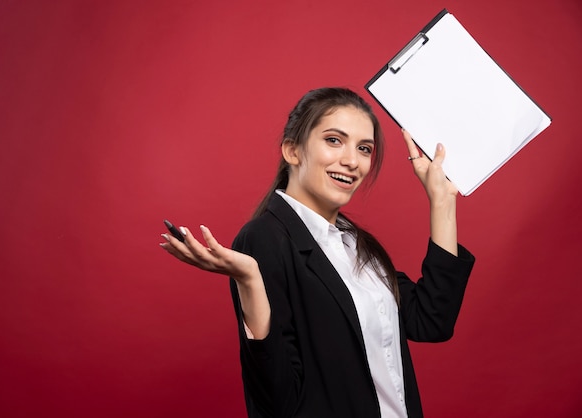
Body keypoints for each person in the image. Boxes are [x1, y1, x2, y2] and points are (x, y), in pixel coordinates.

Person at [160, 87, 475, 418]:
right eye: (334, 140)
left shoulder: (354, 243)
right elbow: (276, 400)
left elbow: (431, 321)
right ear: (292, 151)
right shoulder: (265, 239)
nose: (352, 161)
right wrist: (251, 281)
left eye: (364, 148)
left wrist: (442, 201)